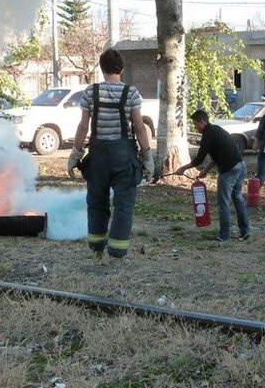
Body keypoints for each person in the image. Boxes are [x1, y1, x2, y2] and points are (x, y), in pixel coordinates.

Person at [67, 48, 154, 260]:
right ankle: (117, 252)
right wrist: (147, 156)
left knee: (97, 202)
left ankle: (97, 248)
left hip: (98, 158)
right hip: (124, 158)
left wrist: (75, 154)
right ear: (121, 68)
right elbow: (140, 127)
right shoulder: (131, 93)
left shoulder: (90, 92)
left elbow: (83, 126)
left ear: (101, 67)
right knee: (123, 204)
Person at [175, 109, 251, 242]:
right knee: (238, 198)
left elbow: (198, 160)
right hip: (240, 166)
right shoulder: (216, 130)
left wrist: (182, 168)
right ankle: (245, 231)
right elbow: (216, 157)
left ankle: (224, 235)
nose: (195, 127)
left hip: (229, 170)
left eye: (195, 124)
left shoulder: (207, 135)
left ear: (202, 122)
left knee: (223, 203)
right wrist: (205, 171)